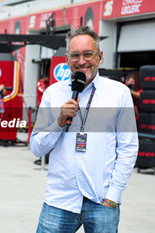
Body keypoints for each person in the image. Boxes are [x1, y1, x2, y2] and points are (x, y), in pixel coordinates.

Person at [30, 26, 138, 233]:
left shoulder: (119, 94)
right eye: (75, 55)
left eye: (88, 54)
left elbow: (128, 148)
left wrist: (113, 195)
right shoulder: (53, 94)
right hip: (59, 201)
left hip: (102, 200)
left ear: (100, 56)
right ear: (66, 58)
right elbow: (36, 148)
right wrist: (59, 121)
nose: (81, 61)